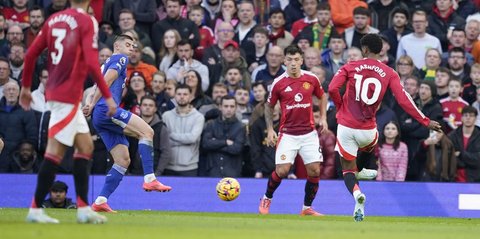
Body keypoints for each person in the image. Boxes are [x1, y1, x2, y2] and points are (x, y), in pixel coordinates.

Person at [19, 0, 117, 224]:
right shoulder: (87, 20)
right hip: (67, 95)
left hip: (59, 92)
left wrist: (26, 87)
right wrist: (108, 96)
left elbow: (30, 54)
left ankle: (83, 208)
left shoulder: (54, 19)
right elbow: (93, 63)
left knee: (85, 146)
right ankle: (35, 209)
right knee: (54, 152)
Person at [329, 33, 442, 222]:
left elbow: (332, 88)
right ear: (381, 50)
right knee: (368, 146)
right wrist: (425, 120)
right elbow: (404, 100)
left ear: (364, 49)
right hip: (368, 129)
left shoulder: (349, 67)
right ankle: (362, 170)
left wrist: (340, 106)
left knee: (347, 170)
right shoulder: (389, 73)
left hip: (346, 126)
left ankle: (357, 192)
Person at [83, 34, 172, 213]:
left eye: (134, 46)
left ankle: (100, 201)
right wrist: (92, 104)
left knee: (122, 160)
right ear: (117, 45)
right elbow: (106, 81)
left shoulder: (106, 62)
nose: (132, 48)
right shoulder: (120, 58)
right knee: (147, 132)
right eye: (128, 44)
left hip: (100, 116)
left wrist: (90, 103)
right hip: (108, 110)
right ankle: (149, 179)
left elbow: (97, 83)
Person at [258, 45, 329, 216]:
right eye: (289, 60)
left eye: (296, 59)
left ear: (301, 61)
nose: (293, 63)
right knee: (282, 171)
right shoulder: (278, 83)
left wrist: (324, 118)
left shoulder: (311, 79)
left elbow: (322, 96)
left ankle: (306, 208)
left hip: (309, 133)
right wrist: (269, 129)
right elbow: (269, 106)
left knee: (314, 170)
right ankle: (266, 198)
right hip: (288, 134)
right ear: (284, 61)